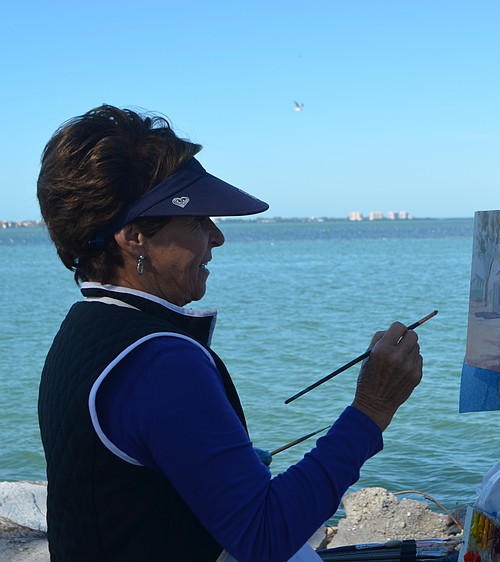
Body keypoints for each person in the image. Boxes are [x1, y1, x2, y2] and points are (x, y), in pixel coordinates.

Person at [36, 104, 424, 562]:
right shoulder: (159, 361)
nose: (216, 237)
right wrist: (371, 410)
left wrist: (214, 471)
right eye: (199, 219)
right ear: (135, 235)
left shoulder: (84, 328)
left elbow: (123, 493)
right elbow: (264, 537)